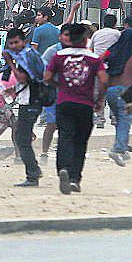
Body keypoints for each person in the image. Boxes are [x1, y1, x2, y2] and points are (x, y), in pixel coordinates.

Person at [44, 22, 106, 194]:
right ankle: (74, 178)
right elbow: (104, 80)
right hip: (85, 104)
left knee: (65, 136)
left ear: (70, 38)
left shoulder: (59, 56)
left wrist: (59, 85)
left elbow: (47, 77)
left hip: (64, 102)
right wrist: (99, 99)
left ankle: (62, 168)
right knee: (80, 141)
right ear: (86, 39)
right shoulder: (93, 58)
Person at [2, 28, 46, 186]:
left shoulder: (25, 57)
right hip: (31, 99)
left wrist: (10, 62)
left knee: (21, 138)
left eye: (16, 42)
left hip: (31, 102)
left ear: (24, 41)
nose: (13, 46)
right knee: (22, 136)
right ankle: (33, 170)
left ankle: (33, 174)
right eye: (11, 43)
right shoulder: (29, 55)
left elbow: (23, 77)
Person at [102, 21, 132, 165]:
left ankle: (121, 147)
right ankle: (118, 149)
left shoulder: (113, 49)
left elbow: (100, 59)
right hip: (127, 90)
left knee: (120, 119)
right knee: (125, 120)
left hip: (110, 90)